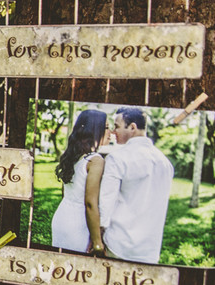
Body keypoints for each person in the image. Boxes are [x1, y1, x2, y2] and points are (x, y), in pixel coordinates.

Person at [97, 107, 175, 264]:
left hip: (119, 246)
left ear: (132, 127)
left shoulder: (117, 158)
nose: (113, 131)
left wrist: (98, 238)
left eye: (117, 126)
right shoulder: (165, 163)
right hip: (149, 251)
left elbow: (106, 203)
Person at [51, 109, 111, 253]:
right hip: (79, 224)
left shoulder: (75, 155)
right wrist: (97, 242)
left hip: (62, 216)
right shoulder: (95, 160)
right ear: (94, 129)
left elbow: (65, 191)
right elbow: (90, 203)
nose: (111, 132)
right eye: (106, 127)